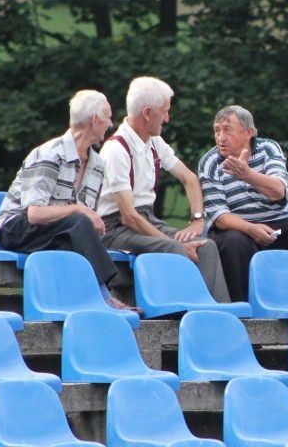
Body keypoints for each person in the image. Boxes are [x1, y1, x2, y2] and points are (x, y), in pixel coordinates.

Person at [0, 90, 138, 311]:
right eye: (108, 117)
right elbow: (34, 214)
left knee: (72, 241)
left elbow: (84, 223)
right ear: (94, 120)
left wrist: (84, 217)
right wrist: (78, 210)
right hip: (15, 228)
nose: (111, 124)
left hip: (57, 231)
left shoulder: (97, 165)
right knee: (78, 221)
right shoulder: (48, 154)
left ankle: (84, 304)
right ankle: (105, 296)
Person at [98, 76, 230, 303]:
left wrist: (197, 220)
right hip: (116, 229)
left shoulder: (154, 143)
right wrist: (176, 243)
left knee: (205, 246)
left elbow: (190, 179)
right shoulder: (116, 150)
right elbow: (129, 216)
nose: (167, 118)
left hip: (144, 220)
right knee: (176, 249)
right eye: (165, 111)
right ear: (148, 113)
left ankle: (216, 311)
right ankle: (184, 310)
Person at [198, 105, 288, 301]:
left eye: (227, 130)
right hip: (242, 228)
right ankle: (244, 310)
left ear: (248, 132)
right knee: (233, 243)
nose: (221, 138)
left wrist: (247, 174)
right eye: (217, 130)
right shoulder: (209, 162)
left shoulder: (268, 148)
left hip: (284, 224)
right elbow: (220, 217)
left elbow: (278, 191)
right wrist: (251, 228)